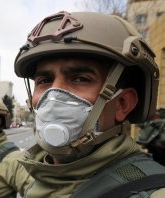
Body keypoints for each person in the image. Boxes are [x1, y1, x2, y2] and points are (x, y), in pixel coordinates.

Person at [13, 11, 165, 197]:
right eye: (44, 80)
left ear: (122, 104)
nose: (53, 96)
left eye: (80, 79)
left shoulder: (151, 191)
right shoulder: (34, 176)